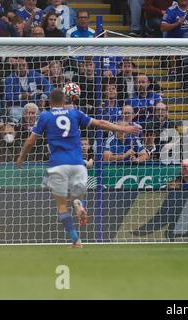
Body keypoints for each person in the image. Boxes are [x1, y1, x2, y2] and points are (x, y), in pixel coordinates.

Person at [16, 89, 140, 248]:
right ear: (63, 101)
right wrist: (123, 128)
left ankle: (75, 239)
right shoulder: (75, 113)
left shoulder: (45, 116)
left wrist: (21, 156)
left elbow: (31, 141)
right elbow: (100, 123)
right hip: (78, 164)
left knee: (61, 205)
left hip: (58, 164)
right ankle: (78, 203)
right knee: (76, 197)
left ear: (50, 103)